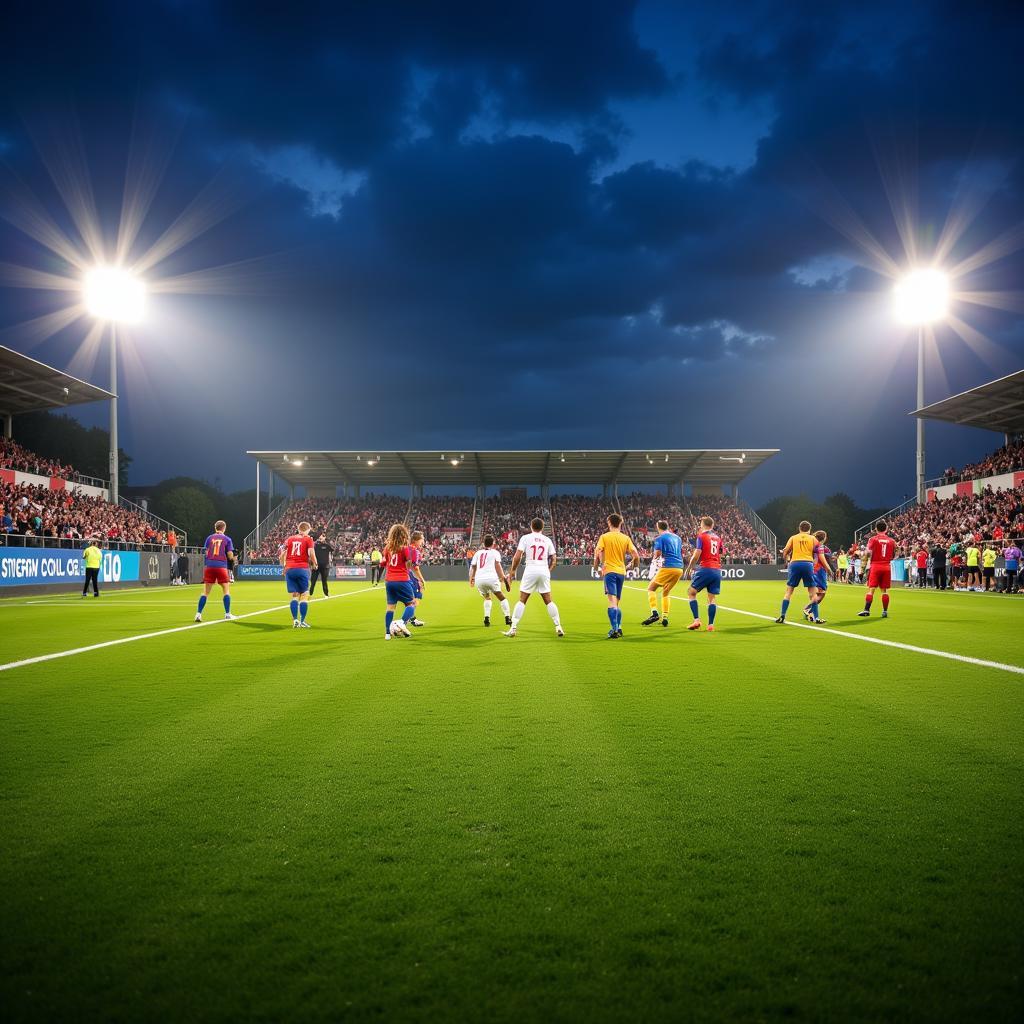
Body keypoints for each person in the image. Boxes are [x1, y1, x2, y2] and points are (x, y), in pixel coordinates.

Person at [505, 516, 562, 637]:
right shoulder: (547, 540)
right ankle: (558, 626)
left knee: (522, 600)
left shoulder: (526, 538)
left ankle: (513, 628)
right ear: (542, 528)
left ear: (531, 527)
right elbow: (554, 559)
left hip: (530, 568)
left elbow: (517, 556)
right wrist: (548, 570)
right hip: (543, 569)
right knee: (548, 600)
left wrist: (513, 571)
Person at [593, 512, 638, 638]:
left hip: (610, 571)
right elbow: (635, 554)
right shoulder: (626, 538)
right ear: (620, 523)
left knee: (612, 602)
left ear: (609, 523)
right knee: (616, 602)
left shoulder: (604, 537)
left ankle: (614, 629)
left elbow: (598, 552)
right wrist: (635, 565)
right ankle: (619, 627)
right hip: (621, 572)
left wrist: (597, 568)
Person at [776, 520, 821, 623]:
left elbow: (786, 550)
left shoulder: (793, 537)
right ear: (809, 529)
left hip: (795, 563)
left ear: (799, 528)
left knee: (789, 592)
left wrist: (787, 560)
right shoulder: (813, 539)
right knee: (812, 593)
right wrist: (814, 562)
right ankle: (816, 617)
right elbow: (819, 552)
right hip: (808, 564)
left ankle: (782, 616)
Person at [642, 520, 684, 628]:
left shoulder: (659, 538)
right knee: (666, 592)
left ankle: (654, 614)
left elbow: (657, 554)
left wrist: (654, 562)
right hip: (679, 568)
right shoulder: (678, 538)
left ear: (658, 527)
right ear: (668, 526)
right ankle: (665, 617)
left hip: (668, 566)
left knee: (651, 588)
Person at [683, 516, 723, 632]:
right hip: (716, 570)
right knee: (711, 598)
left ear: (702, 525)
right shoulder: (718, 538)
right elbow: (720, 552)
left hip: (706, 568)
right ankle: (710, 625)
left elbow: (696, 555)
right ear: (712, 525)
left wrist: (689, 568)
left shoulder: (701, 537)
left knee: (691, 592)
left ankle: (696, 620)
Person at [382, 522, 418, 640]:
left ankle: (387, 633)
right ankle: (401, 622)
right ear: (403, 534)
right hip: (402, 579)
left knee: (390, 607)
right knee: (411, 603)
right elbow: (408, 564)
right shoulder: (404, 548)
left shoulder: (387, 548)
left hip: (389, 581)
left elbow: (383, 563)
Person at [195, 520, 236, 622]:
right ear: (224, 528)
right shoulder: (227, 539)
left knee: (205, 592)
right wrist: (233, 558)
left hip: (210, 566)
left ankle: (198, 614)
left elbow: (207, 551)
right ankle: (227, 614)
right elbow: (230, 555)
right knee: (226, 590)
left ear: (215, 528)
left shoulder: (209, 538)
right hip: (221, 566)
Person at [469, 533, 512, 627]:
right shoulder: (495, 552)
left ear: (483, 543)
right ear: (493, 543)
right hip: (491, 578)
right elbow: (498, 567)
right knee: (502, 598)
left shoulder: (477, 553)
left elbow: (473, 567)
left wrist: (471, 579)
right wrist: (504, 578)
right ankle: (507, 617)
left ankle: (486, 619)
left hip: (479, 579)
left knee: (487, 597)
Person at [280, 521, 317, 628]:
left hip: (290, 569)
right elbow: (311, 553)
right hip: (302, 568)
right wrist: (315, 563)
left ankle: (295, 620)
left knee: (295, 595)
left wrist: (284, 567)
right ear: (308, 529)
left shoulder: (290, 539)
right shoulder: (308, 539)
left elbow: (282, 555)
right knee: (305, 594)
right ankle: (303, 621)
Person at [858, 520, 896, 618]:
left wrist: (862, 568)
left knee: (871, 589)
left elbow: (867, 553)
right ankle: (885, 611)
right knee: (884, 591)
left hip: (875, 566)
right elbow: (894, 554)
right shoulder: (892, 541)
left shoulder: (873, 539)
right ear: (886, 529)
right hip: (887, 566)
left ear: (876, 529)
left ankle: (866, 609)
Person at [802, 530, 832, 624]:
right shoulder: (820, 546)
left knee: (819, 593)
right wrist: (829, 569)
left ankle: (809, 611)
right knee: (821, 593)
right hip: (819, 570)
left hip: (813, 569)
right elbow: (822, 558)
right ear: (824, 538)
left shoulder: (812, 546)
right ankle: (807, 609)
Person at [407, 530, 427, 627]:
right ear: (415, 540)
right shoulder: (415, 551)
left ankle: (412, 619)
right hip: (408, 576)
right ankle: (403, 622)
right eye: (421, 540)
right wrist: (422, 580)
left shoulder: (406, 548)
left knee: (410, 600)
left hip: (401, 576)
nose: (422, 542)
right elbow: (415, 568)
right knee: (416, 598)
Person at [310, 532, 334, 597]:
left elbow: (333, 548)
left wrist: (326, 540)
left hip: (324, 566)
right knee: (313, 581)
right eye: (320, 536)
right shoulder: (315, 545)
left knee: (324, 581)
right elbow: (311, 552)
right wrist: (312, 564)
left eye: (323, 536)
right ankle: (310, 594)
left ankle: (326, 594)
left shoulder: (327, 545)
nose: (321, 537)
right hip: (316, 566)